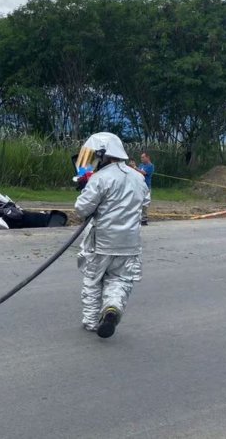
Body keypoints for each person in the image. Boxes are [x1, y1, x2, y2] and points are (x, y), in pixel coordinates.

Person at [75, 132, 150, 338]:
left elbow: (82, 209)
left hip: (102, 242)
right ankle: (112, 308)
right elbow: (145, 203)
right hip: (129, 243)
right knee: (120, 280)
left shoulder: (100, 178)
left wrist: (84, 189)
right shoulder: (138, 177)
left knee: (93, 280)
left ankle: (91, 321)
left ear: (103, 155)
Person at [136, 153, 154, 225]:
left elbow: (144, 173)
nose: (141, 159)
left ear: (148, 157)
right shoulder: (141, 165)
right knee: (138, 203)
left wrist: (135, 168)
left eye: (143, 157)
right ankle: (138, 218)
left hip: (146, 187)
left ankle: (144, 219)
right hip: (139, 187)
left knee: (145, 204)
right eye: (141, 157)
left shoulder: (151, 166)